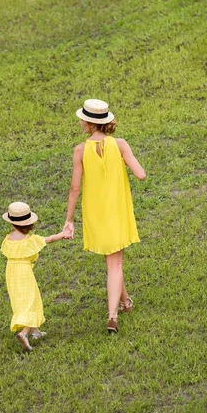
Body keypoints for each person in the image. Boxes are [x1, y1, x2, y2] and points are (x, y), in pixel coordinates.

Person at [64, 99, 146, 334]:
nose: (80, 121)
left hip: (95, 212)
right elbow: (141, 174)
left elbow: (74, 188)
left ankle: (123, 304)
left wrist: (69, 220)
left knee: (112, 261)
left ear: (90, 124)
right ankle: (113, 316)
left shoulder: (80, 150)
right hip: (117, 210)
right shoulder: (120, 145)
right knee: (115, 262)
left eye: (82, 118)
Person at [1, 201, 67, 352]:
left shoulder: (8, 240)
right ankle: (24, 333)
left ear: (12, 224)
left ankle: (36, 331)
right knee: (31, 301)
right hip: (25, 272)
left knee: (22, 302)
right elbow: (48, 239)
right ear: (29, 223)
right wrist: (62, 235)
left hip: (11, 273)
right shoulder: (29, 240)